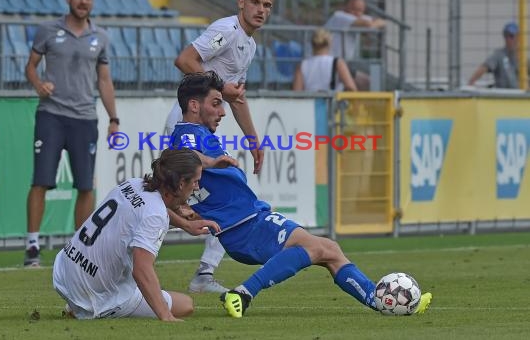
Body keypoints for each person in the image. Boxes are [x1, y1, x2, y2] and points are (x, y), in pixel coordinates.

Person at [169, 71, 432, 318]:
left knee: (329, 249)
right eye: (216, 103)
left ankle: (379, 300)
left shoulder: (195, 134)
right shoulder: (188, 135)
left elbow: (182, 167)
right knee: (317, 248)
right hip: (245, 226)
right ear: (194, 105)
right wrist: (212, 164)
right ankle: (242, 294)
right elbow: (184, 157)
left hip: (249, 221)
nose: (222, 111)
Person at [163, 0, 277, 293]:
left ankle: (203, 275)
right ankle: (129, 264)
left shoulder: (249, 45)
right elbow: (185, 60)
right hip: (186, 124)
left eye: (267, 6)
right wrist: (219, 88)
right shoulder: (226, 31)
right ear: (241, 3)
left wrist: (254, 140)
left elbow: (235, 97)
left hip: (203, 129)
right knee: (171, 199)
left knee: (223, 197)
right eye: (255, 2)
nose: (261, 10)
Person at [53, 148, 222, 320]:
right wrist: (166, 316)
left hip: (65, 271)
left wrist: (186, 225)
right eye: (194, 181)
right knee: (186, 305)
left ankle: (76, 303)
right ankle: (83, 307)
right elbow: (141, 270)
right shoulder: (155, 214)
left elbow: (149, 211)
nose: (197, 187)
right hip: (94, 295)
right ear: (180, 183)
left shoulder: (134, 184)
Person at [23, 0, 119, 267]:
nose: (83, 2)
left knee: (85, 186)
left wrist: (114, 118)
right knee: (41, 181)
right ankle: (32, 245)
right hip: (51, 115)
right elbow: (30, 65)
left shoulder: (100, 37)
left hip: (85, 118)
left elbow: (104, 80)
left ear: (92, 1)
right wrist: (38, 83)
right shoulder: (48, 30)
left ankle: (79, 246)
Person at [324, 0, 386, 90]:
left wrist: (372, 24)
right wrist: (372, 24)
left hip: (340, 64)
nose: (356, 13)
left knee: (365, 83)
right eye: (353, 9)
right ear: (345, 7)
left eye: (360, 10)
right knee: (358, 85)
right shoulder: (340, 16)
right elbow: (369, 25)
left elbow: (383, 22)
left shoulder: (357, 17)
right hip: (329, 64)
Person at [292, 28, 357, 92]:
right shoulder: (338, 63)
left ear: (312, 44)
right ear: (330, 44)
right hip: (332, 101)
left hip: (311, 101)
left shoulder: (302, 65)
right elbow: (351, 88)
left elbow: (297, 93)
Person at [468, 22, 528, 89]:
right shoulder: (499, 55)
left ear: (518, 37)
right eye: (506, 36)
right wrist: (471, 82)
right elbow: (484, 67)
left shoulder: (523, 57)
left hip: (521, 97)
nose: (509, 39)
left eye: (512, 36)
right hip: (503, 96)